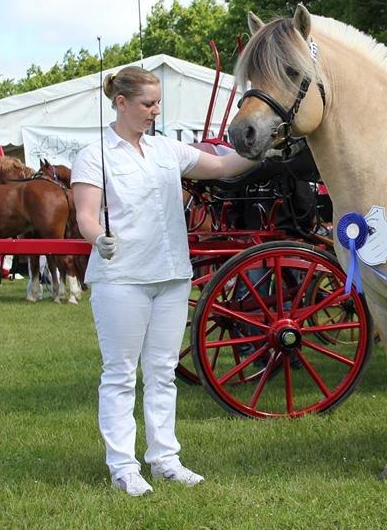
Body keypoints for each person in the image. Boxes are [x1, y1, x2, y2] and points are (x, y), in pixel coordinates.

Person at [72, 66, 257, 496]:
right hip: (121, 277)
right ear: (121, 103)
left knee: (162, 371)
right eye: (147, 104)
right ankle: (122, 465)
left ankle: (164, 459)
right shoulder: (94, 155)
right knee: (120, 373)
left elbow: (224, 165)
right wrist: (97, 237)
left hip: (172, 274)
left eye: (158, 103)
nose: (155, 111)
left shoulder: (166, 150)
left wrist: (265, 147)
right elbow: (84, 212)